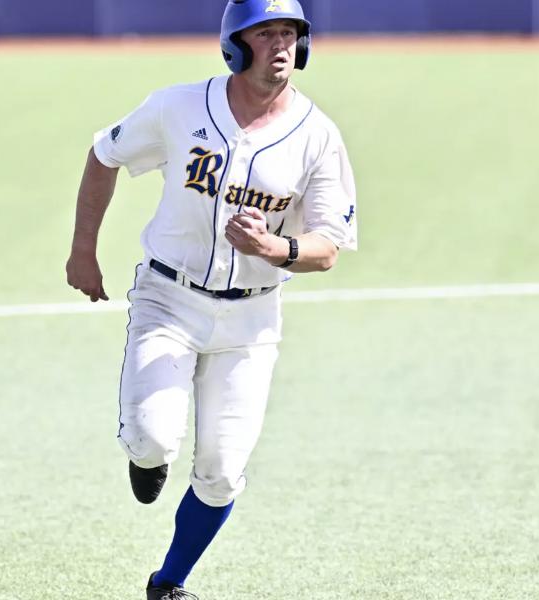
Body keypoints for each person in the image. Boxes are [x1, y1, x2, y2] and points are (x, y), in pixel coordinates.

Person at [65, 1, 357, 597]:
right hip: (167, 301)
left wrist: (275, 247)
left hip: (252, 319)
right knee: (153, 439)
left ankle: (168, 584)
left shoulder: (317, 135)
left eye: (289, 33)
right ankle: (146, 458)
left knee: (222, 473)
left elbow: (328, 246)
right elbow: (104, 154)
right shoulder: (179, 107)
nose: (280, 45)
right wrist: (82, 251)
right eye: (265, 33)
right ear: (235, 43)